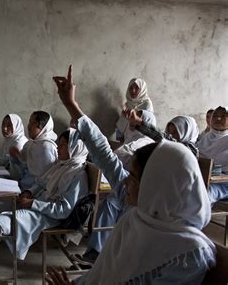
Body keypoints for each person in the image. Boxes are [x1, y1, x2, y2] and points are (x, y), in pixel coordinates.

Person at [50, 65, 215, 284]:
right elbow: (105, 155)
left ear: (156, 186)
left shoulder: (188, 255)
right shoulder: (141, 212)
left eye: (134, 177)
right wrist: (72, 105)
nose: (125, 180)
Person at [0, 128, 89, 282]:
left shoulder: (78, 175)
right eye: (59, 144)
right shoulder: (62, 165)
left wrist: (33, 204)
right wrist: (29, 193)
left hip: (47, 215)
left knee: (2, 221)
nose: (58, 148)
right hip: (36, 203)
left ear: (75, 147)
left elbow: (63, 211)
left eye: (63, 145)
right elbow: (41, 183)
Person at [9, 111, 58, 190]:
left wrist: (30, 192)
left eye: (34, 123)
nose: (29, 126)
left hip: (36, 191)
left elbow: (46, 179)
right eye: (29, 122)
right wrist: (16, 156)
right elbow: (24, 166)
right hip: (25, 185)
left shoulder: (46, 147)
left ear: (43, 127)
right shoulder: (30, 144)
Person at [127, 111, 199, 157]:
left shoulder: (192, 150)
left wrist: (139, 122)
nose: (171, 136)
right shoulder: (167, 148)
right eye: (169, 132)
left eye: (175, 133)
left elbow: (167, 139)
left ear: (186, 133)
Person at [197, 106, 228, 203]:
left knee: (202, 194)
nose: (218, 119)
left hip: (223, 184)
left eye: (223, 116)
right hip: (203, 178)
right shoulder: (204, 139)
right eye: (215, 116)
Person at [0, 114, 28, 179]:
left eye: (9, 126)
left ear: (16, 126)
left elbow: (5, 160)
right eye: (3, 125)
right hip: (7, 173)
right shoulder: (9, 139)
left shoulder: (19, 142)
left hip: (18, 179)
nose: (4, 128)